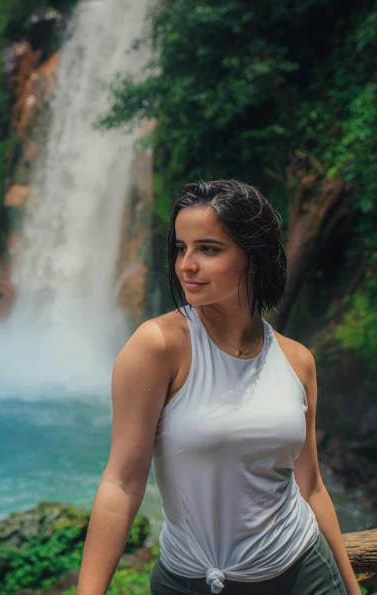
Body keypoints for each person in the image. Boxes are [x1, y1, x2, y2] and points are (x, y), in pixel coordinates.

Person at [76, 178, 360, 595]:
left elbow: (311, 486)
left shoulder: (298, 361)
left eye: (207, 249)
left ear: (255, 258)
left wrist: (351, 590)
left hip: (304, 570)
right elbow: (122, 483)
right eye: (180, 248)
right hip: (194, 581)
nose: (186, 264)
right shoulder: (158, 346)